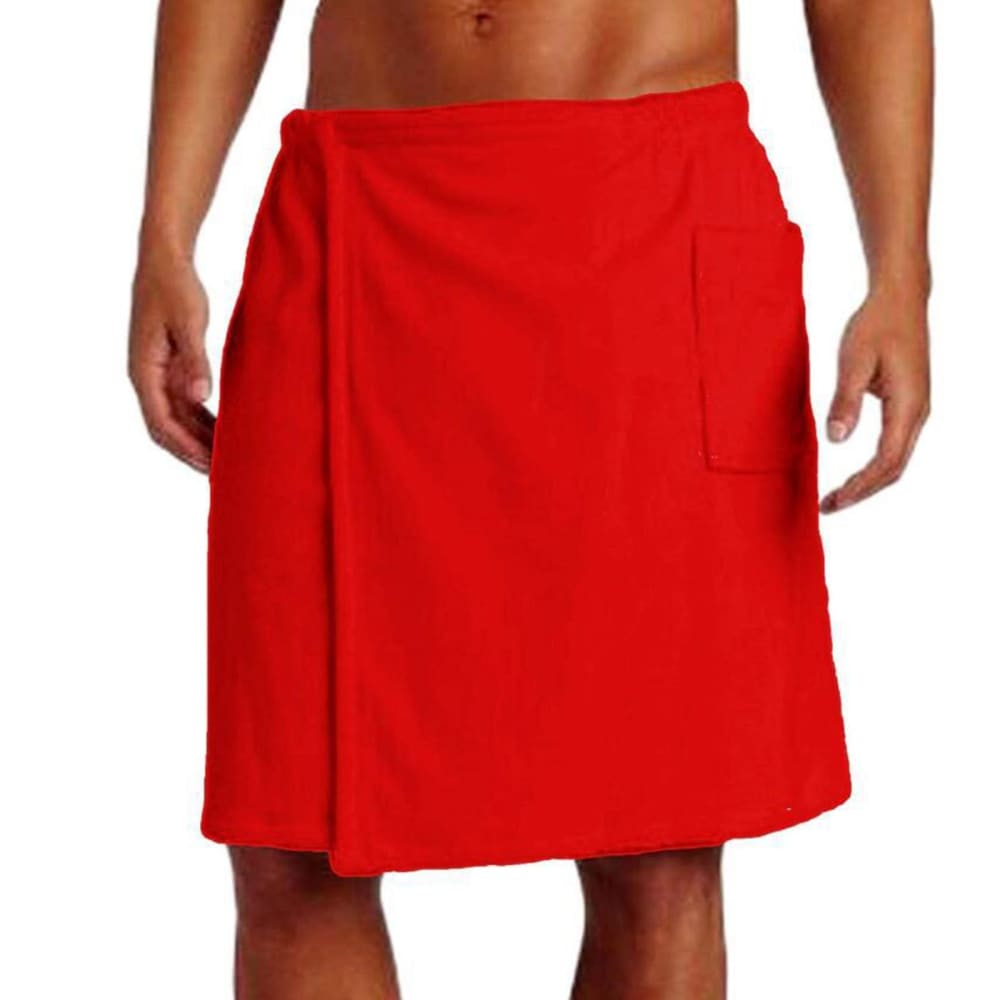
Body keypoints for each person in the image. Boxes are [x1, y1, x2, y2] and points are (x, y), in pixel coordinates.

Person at [127, 1, 933, 997]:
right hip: (353, 219)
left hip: (648, 227)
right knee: (289, 841)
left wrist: (900, 273)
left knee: (657, 848)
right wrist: (166, 232)